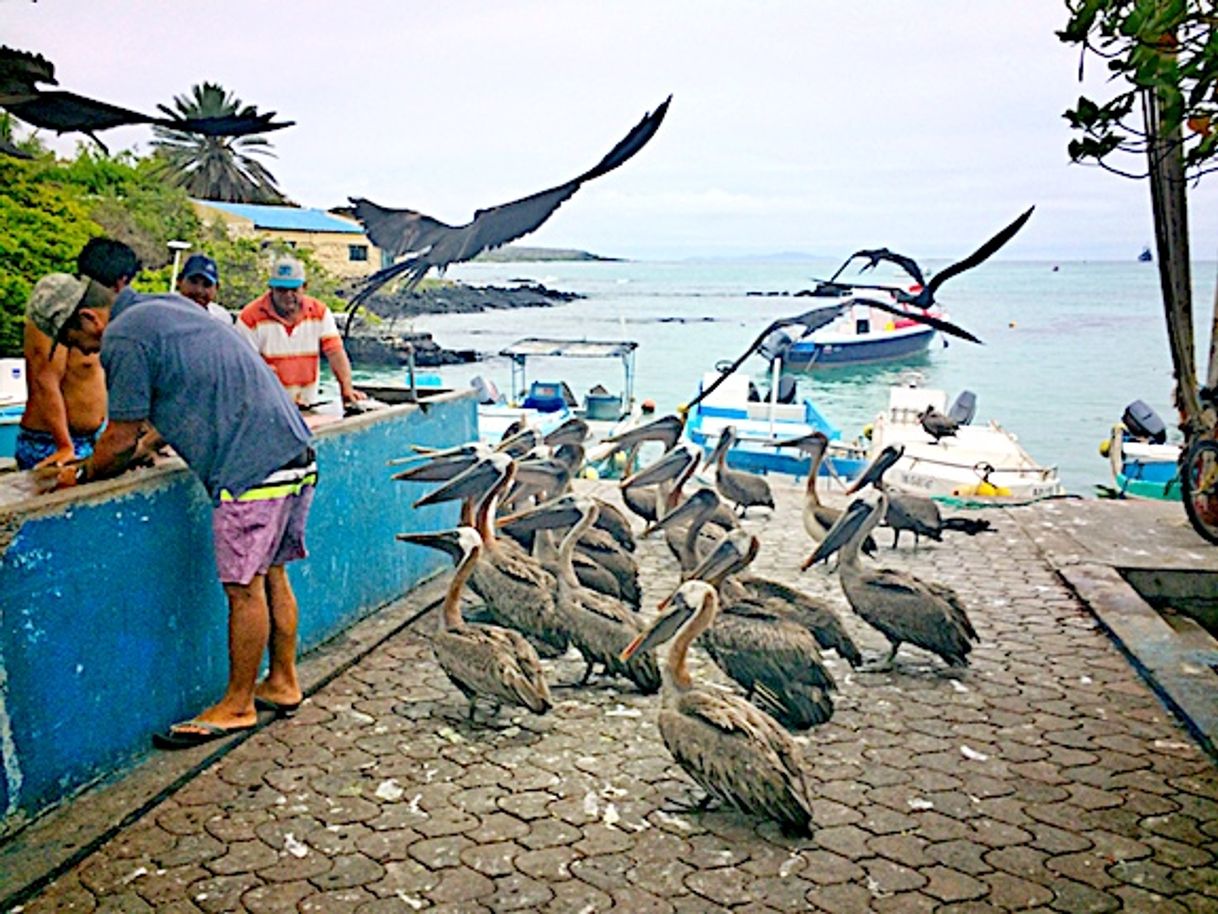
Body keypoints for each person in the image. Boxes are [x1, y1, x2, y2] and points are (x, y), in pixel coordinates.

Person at [34, 270, 316, 750]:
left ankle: (238, 704)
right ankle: (283, 681)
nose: (79, 352)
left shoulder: (123, 337)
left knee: (243, 589)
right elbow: (184, 399)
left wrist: (78, 473)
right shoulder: (169, 308)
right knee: (273, 574)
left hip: (249, 470)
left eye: (73, 339)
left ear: (88, 318)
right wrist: (146, 444)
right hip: (294, 452)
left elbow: (119, 440)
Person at [15, 238, 138, 470]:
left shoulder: (106, 320)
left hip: (90, 439)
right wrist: (64, 445)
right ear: (120, 281)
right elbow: (45, 378)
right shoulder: (62, 312)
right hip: (51, 441)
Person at [236, 255, 366, 409]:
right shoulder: (249, 318)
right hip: (264, 407)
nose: (288, 296)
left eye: (293, 290)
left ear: (304, 287)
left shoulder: (320, 312)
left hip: (307, 403)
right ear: (271, 289)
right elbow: (243, 368)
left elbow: (335, 352)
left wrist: (346, 388)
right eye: (281, 290)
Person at [176, 253, 233, 324]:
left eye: (207, 284)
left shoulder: (222, 318)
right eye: (193, 282)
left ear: (216, 288)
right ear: (179, 281)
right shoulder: (164, 312)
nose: (199, 290)